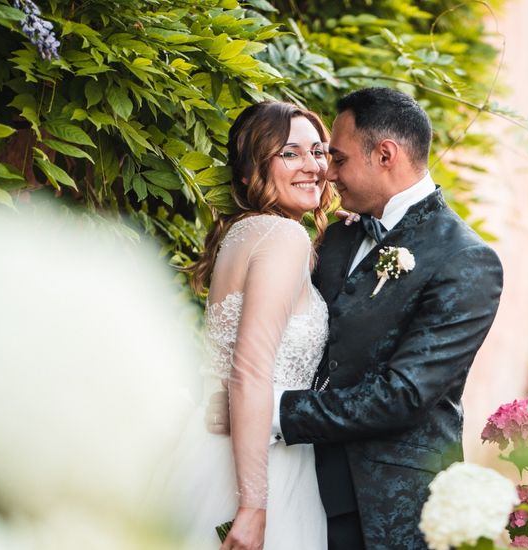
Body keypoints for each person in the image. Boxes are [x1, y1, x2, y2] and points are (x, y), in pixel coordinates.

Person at [212, 87, 504, 549]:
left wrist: (272, 410)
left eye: (338, 159)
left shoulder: (464, 259)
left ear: (384, 155)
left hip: (393, 507)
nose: (327, 172)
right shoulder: (333, 238)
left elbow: (404, 394)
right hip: (304, 485)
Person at [176, 100, 333, 549]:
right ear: (248, 172)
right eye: (290, 153)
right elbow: (249, 371)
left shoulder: (244, 232)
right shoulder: (284, 236)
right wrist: (252, 507)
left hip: (214, 450)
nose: (313, 166)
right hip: (264, 468)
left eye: (318, 151)